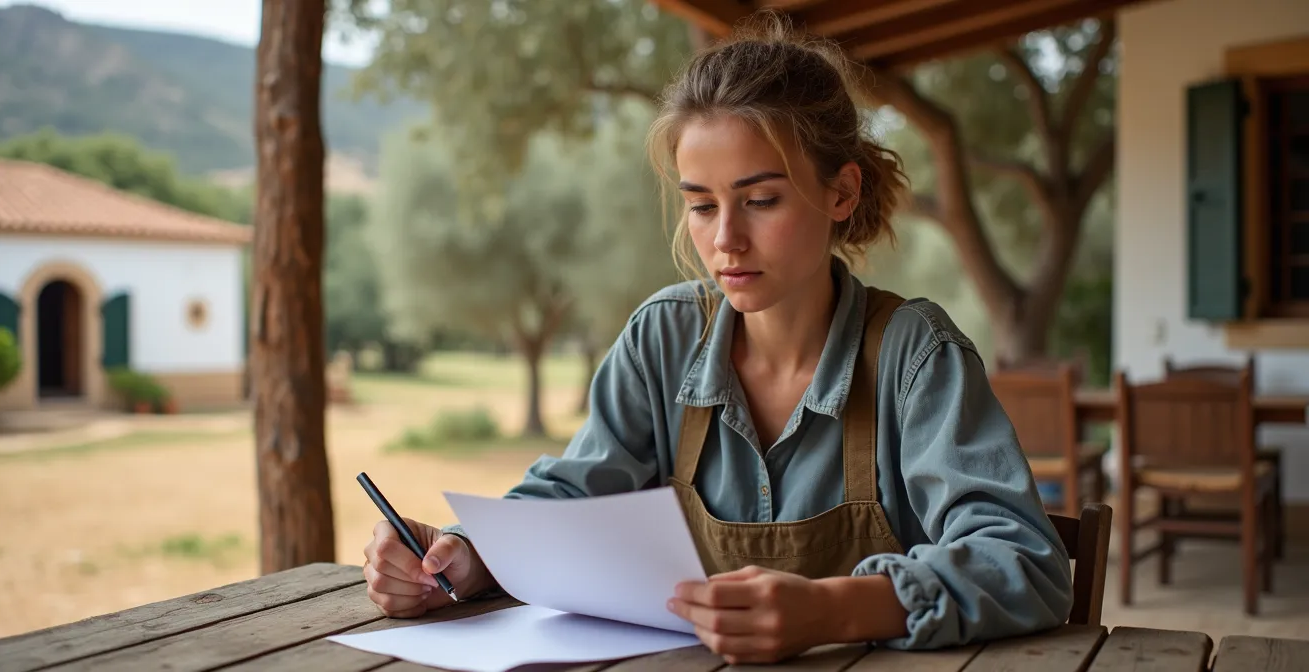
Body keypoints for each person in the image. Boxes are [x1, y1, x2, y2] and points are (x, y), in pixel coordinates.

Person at [362, 13, 1072, 664]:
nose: (725, 239)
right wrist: (468, 554)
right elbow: (573, 497)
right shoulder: (663, 339)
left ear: (842, 193)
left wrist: (831, 609)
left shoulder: (918, 359)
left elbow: (1026, 564)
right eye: (701, 205)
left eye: (761, 200)